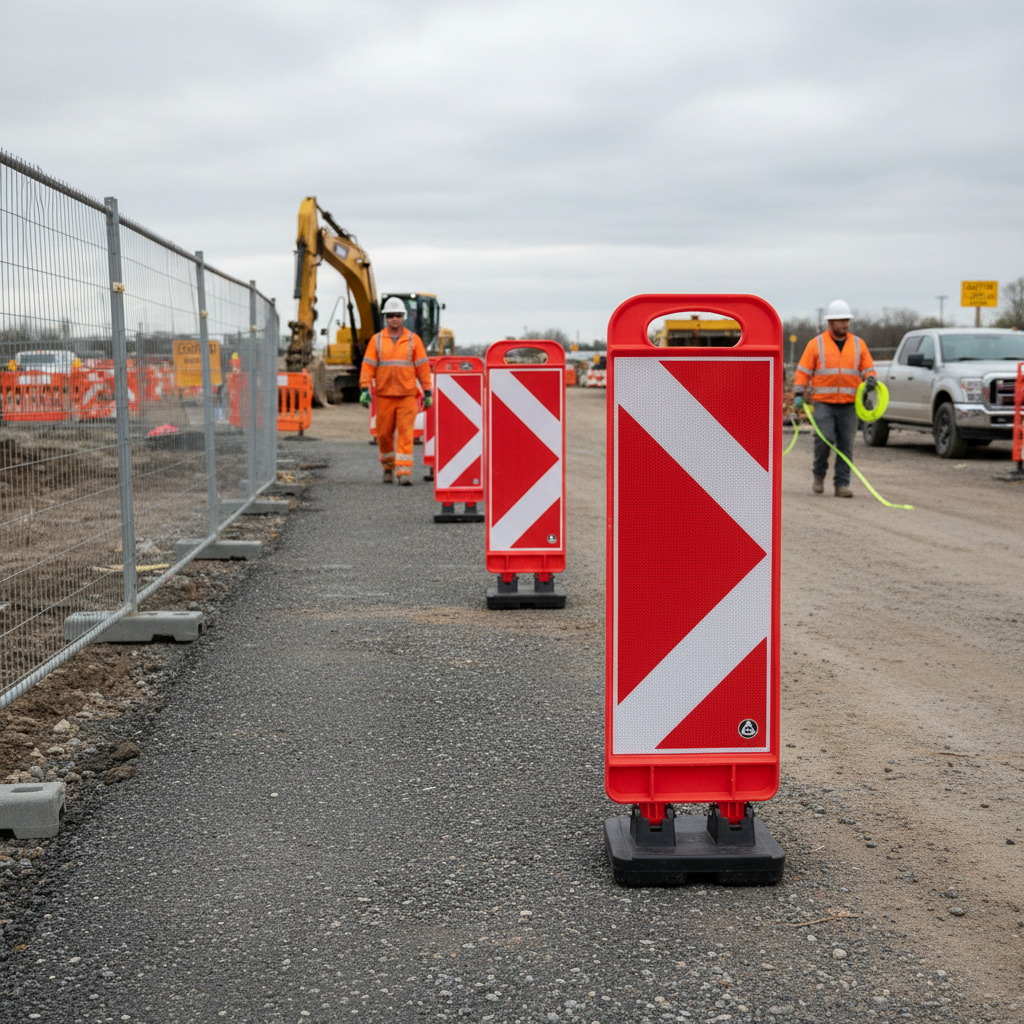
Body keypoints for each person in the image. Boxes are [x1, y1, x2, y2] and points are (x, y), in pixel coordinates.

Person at [792, 299, 877, 498]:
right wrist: (798, 393)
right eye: (841, 321)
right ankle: (819, 475)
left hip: (849, 403)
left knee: (846, 446)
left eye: (847, 320)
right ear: (830, 322)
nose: (845, 324)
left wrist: (871, 378)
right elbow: (803, 370)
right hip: (824, 402)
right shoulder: (816, 344)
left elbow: (867, 368)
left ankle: (842, 485)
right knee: (824, 440)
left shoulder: (858, 344)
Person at [359, 297, 432, 485]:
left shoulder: (413, 340)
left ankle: (404, 472)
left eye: (398, 315)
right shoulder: (376, 340)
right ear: (386, 318)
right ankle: (388, 467)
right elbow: (368, 365)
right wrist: (364, 388)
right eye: (391, 315)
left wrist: (427, 390)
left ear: (403, 317)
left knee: (406, 434)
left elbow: (423, 368)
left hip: (407, 395)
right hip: (384, 395)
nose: (394, 319)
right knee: (383, 435)